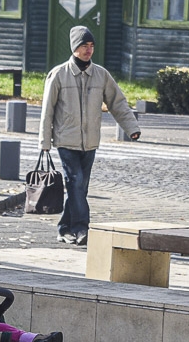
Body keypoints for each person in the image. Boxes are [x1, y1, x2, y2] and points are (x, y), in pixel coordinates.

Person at [39, 26, 140, 246]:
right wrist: (45, 142)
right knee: (75, 183)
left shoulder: (101, 75)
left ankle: (64, 228)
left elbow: (118, 103)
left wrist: (131, 127)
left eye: (91, 45)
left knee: (80, 188)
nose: (88, 50)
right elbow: (47, 110)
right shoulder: (58, 74)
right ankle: (81, 228)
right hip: (66, 140)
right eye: (84, 45)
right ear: (75, 47)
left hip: (91, 142)